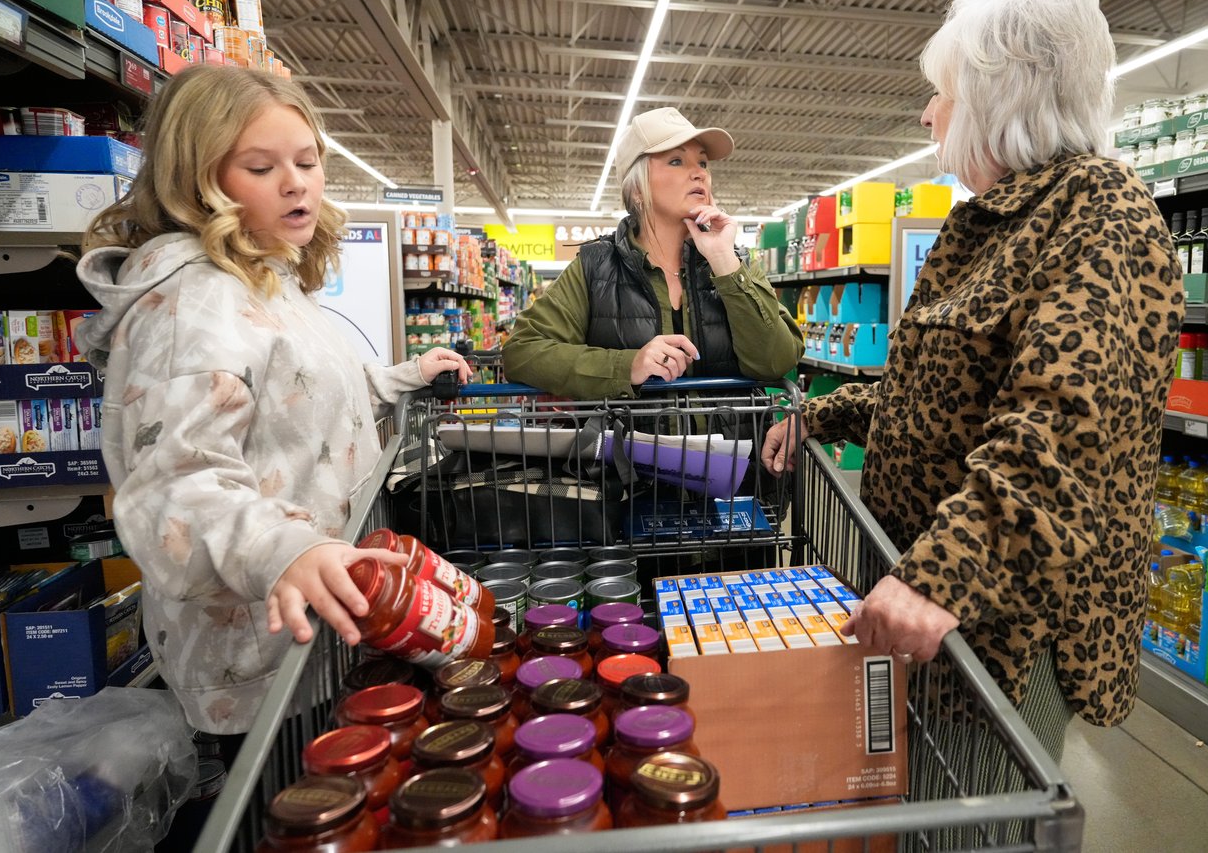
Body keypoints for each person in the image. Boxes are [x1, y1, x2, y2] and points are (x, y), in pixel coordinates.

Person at [763, 0, 1184, 756]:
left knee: (977, 825)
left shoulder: (1103, 213)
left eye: (943, 93)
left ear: (1000, 97)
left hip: (1005, 631)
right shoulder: (989, 221)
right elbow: (937, 390)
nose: (928, 115)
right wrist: (824, 412)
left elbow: (1061, 430)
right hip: (949, 621)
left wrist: (935, 577)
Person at [76, 66, 471, 739]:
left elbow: (297, 405)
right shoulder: (196, 302)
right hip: (255, 666)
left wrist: (399, 378)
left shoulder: (265, 277)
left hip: (316, 635)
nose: (297, 182)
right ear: (195, 180)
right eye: (261, 166)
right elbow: (176, 484)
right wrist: (283, 548)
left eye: (308, 160)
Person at [502, 107, 803, 398]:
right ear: (637, 188)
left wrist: (724, 261)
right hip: (628, 449)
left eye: (703, 163)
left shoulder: (736, 264)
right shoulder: (597, 268)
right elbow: (521, 351)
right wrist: (626, 366)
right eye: (676, 161)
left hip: (734, 448)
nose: (699, 173)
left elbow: (775, 363)